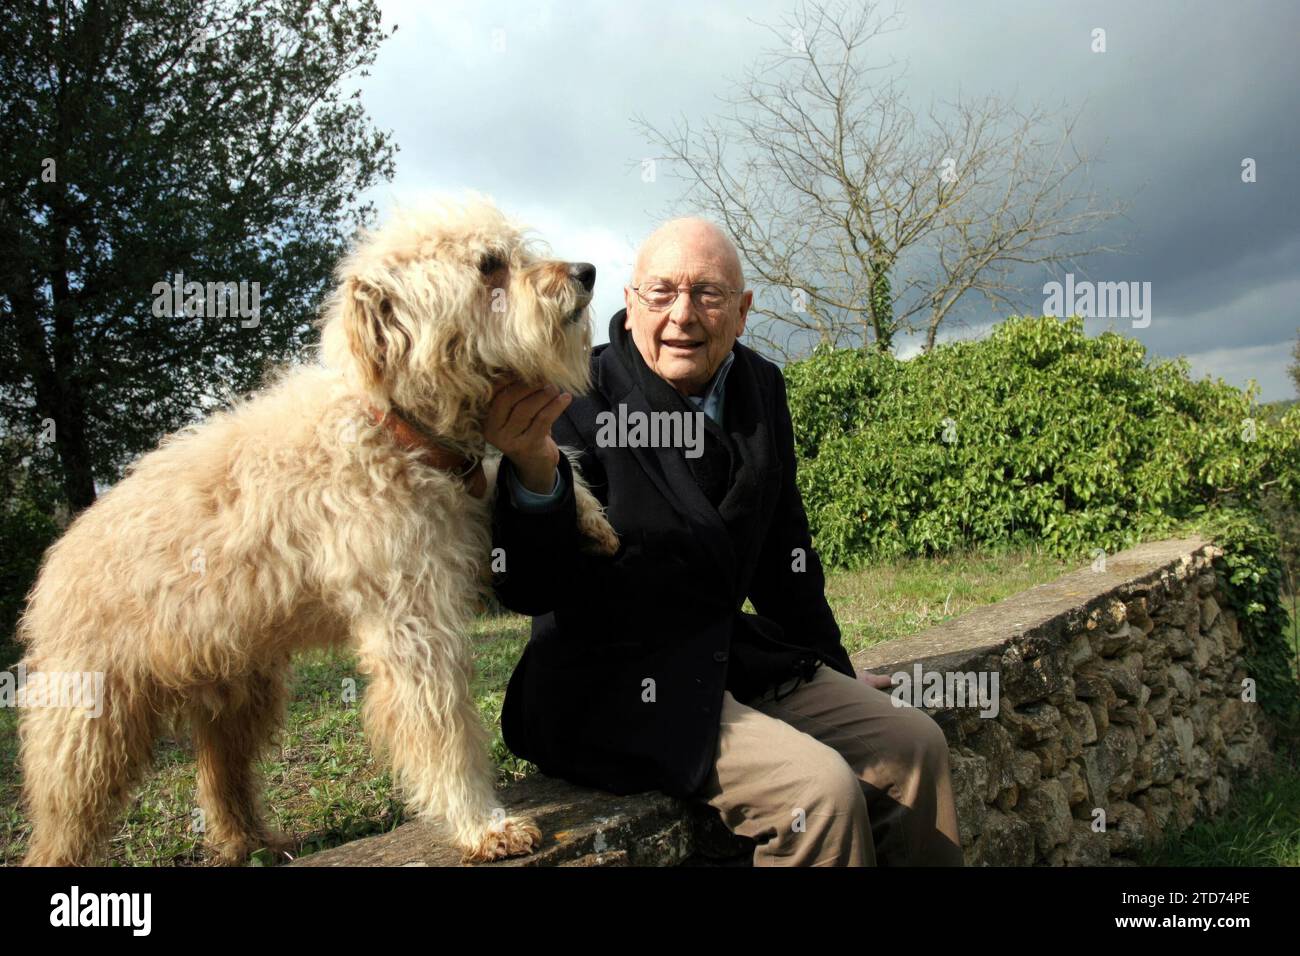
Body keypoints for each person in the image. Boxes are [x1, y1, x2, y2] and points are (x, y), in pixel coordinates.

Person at [485, 217, 963, 866]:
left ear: (741, 312)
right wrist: (533, 472)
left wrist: (832, 666)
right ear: (630, 303)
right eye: (661, 292)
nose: (683, 314)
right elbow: (529, 586)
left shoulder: (760, 388)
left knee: (913, 745)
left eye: (708, 294)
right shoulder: (573, 399)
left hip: (731, 659)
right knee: (817, 795)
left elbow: (785, 555)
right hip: (613, 683)